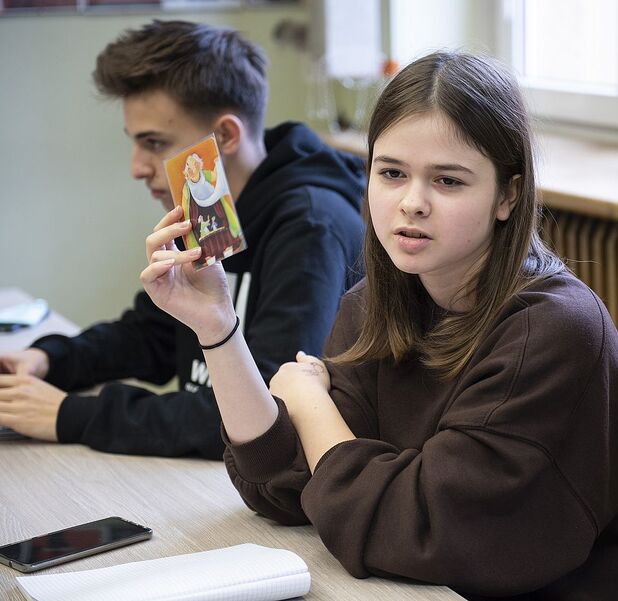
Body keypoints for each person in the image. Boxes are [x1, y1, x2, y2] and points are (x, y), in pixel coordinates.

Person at [138, 51, 618, 599]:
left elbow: (423, 531)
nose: (412, 203)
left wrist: (311, 403)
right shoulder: (375, 304)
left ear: (508, 195)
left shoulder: (554, 329)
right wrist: (218, 327)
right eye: (391, 173)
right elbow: (286, 488)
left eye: (448, 181)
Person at [0, 20, 365, 459]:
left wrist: (71, 415)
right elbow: (157, 334)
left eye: (154, 142)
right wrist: (51, 360)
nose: (137, 166)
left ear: (226, 135)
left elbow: (267, 412)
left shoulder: (311, 226)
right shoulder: (213, 206)